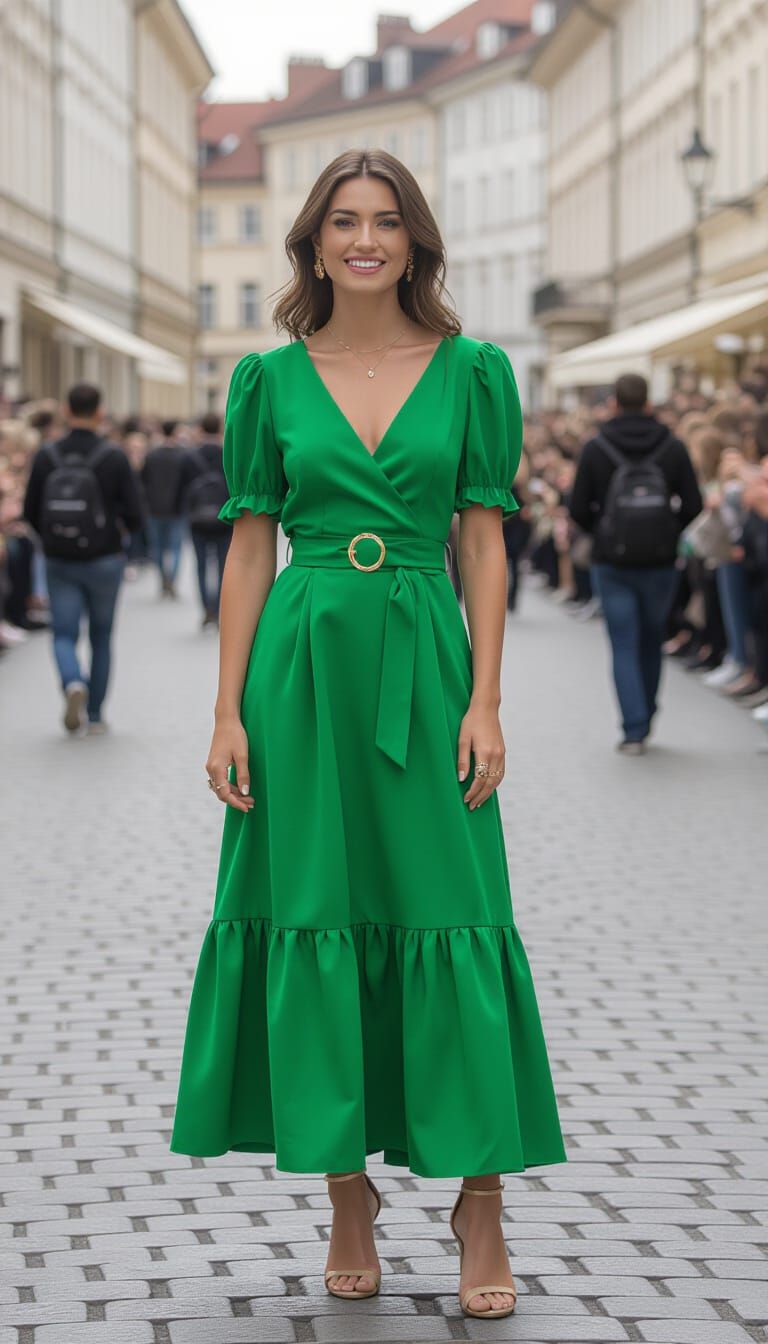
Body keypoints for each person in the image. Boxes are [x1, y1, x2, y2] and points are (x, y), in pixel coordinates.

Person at [170, 149, 566, 1322]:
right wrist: (227, 706)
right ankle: (348, 1193)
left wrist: (487, 699)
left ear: (415, 241)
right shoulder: (268, 380)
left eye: (385, 222)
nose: (364, 240)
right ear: (313, 239)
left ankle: (479, 1196)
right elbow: (250, 544)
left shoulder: (476, 372)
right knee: (315, 907)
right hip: (302, 670)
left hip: (426, 655)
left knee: (459, 908)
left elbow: (485, 542)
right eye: (344, 221)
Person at [569, 372, 702, 753]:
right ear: (648, 403)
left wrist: (606, 532)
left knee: (623, 642)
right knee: (651, 638)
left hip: (613, 563)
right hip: (660, 563)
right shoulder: (672, 446)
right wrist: (667, 533)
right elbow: (693, 504)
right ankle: (648, 711)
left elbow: (577, 508)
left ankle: (633, 729)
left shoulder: (597, 447)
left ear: (613, 403)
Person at [21, 382, 145, 733]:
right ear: (100, 412)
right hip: (105, 558)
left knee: (62, 633)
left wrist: (53, 539)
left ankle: (72, 680)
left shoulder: (47, 455)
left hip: (60, 559)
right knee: (101, 636)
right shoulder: (114, 455)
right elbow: (136, 516)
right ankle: (95, 715)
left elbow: (31, 510)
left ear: (66, 410)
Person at [179, 412, 231, 627]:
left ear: (200, 429)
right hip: (224, 516)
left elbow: (182, 487)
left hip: (197, 518)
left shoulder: (190, 456)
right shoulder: (228, 453)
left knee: (200, 564)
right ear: (220, 429)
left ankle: (206, 609)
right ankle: (218, 607)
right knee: (222, 564)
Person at [140, 419, 186, 598]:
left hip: (154, 507)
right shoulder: (183, 455)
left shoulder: (152, 455)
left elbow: (143, 481)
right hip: (176, 508)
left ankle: (163, 579)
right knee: (175, 547)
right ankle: (171, 580)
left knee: (157, 547)